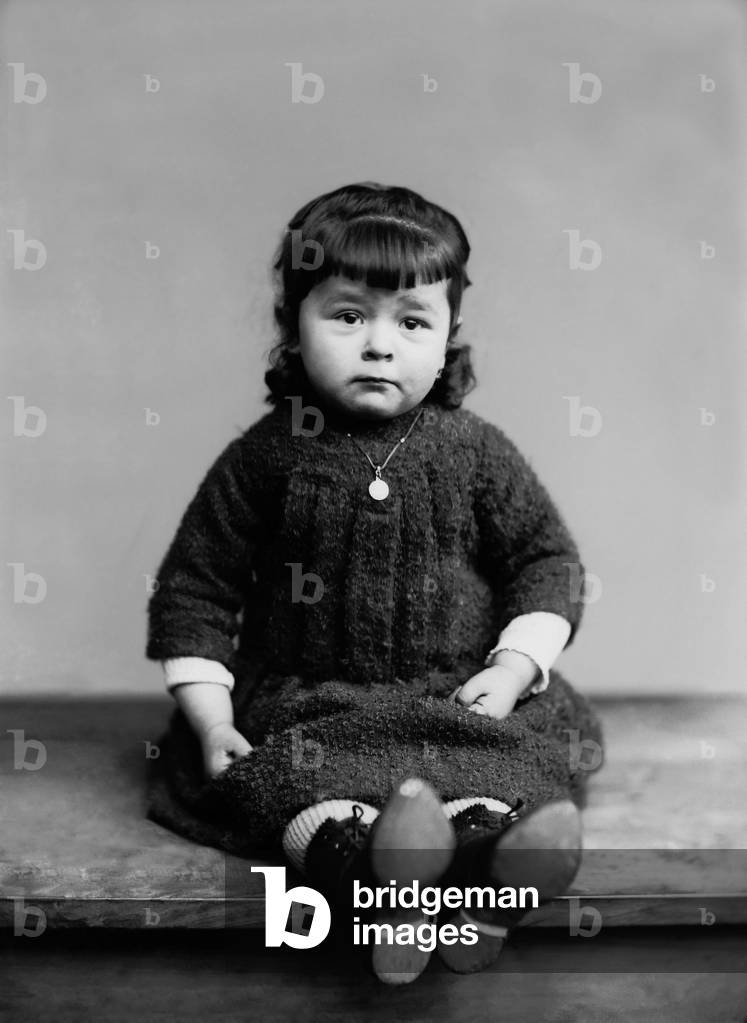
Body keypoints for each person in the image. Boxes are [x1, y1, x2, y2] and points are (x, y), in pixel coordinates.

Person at [144, 181, 605, 984]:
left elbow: (547, 562)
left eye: (411, 321)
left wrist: (512, 667)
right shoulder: (266, 456)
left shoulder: (474, 452)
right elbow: (196, 588)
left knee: (506, 773)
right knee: (292, 786)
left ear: (447, 337)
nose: (379, 344)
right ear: (294, 324)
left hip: (456, 699)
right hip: (309, 699)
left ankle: (478, 882)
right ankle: (373, 875)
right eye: (349, 315)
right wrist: (211, 717)